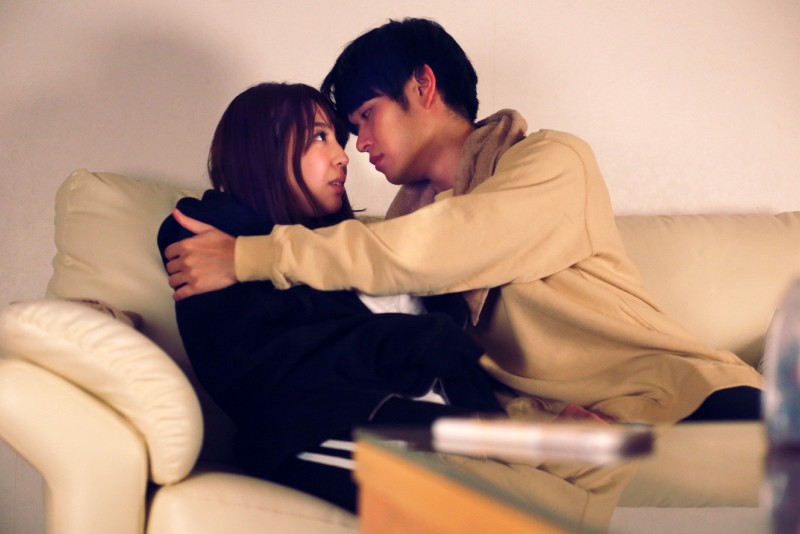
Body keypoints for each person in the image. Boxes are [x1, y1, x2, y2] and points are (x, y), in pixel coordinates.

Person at [164, 18, 762, 425]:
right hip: (592, 426)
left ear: (423, 86)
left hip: (684, 395)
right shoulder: (406, 223)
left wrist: (251, 255)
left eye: (366, 116)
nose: (357, 146)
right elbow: (454, 363)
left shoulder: (551, 162)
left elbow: (442, 248)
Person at [157, 82, 508, 513]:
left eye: (338, 141)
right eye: (319, 137)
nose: (343, 156)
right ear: (262, 148)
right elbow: (257, 365)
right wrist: (408, 339)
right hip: (323, 427)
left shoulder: (349, 248)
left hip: (436, 417)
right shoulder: (212, 232)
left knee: (530, 484)